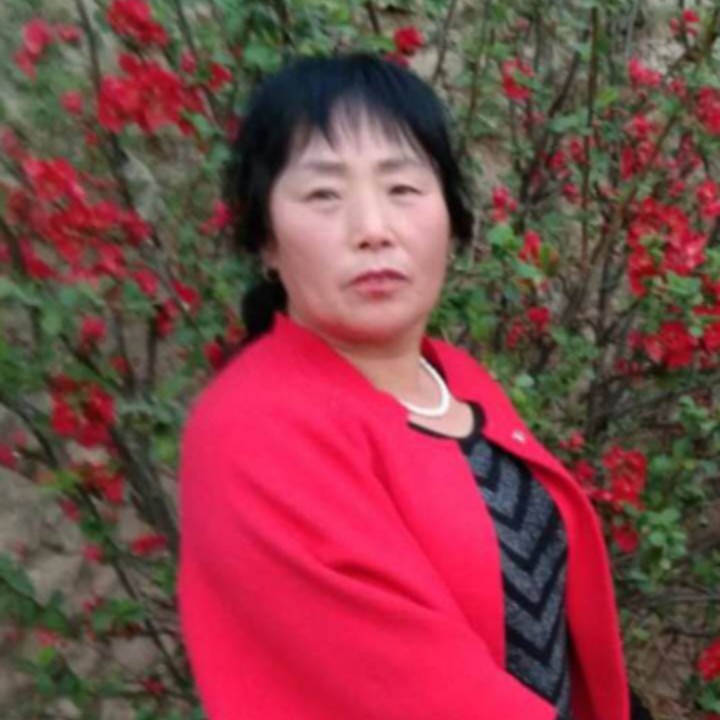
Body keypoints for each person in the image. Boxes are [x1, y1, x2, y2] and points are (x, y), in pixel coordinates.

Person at [178, 53, 639, 720]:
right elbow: (425, 697)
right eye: (324, 195)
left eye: (402, 188)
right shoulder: (253, 431)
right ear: (267, 240)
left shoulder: (454, 377)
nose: (373, 230)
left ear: (450, 216)